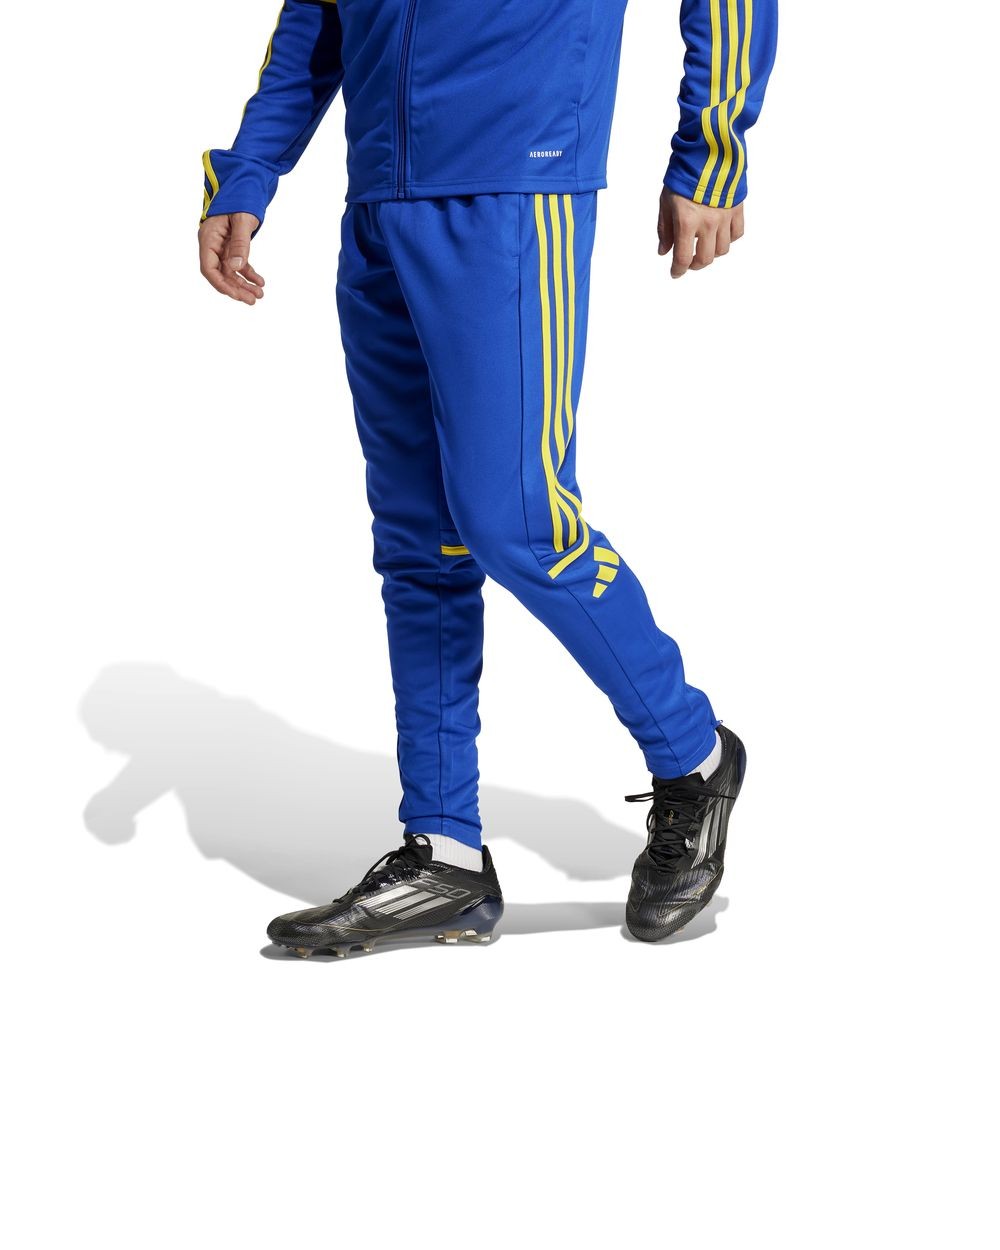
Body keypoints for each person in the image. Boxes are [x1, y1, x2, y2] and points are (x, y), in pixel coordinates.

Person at [197, 0, 777, 956]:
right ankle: (446, 853)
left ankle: (694, 753)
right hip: (378, 198)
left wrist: (711, 152)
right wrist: (252, 167)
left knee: (518, 522)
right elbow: (318, 13)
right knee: (418, 544)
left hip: (514, 181)